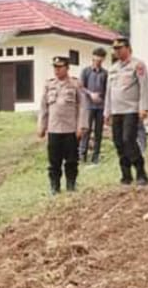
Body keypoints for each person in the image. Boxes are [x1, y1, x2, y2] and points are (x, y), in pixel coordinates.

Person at [104, 35, 148, 187]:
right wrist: (107, 111)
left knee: (128, 140)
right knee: (118, 143)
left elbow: (144, 88)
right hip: (116, 111)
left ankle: (141, 172)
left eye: (119, 48)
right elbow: (109, 92)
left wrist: (144, 107)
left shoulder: (138, 65)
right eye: (115, 49)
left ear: (128, 48)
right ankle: (126, 175)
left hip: (131, 109)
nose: (116, 51)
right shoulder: (113, 68)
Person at [37, 55, 87, 194]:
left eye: (60, 67)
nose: (57, 70)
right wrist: (42, 126)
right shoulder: (49, 84)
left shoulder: (75, 84)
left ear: (67, 68)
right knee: (54, 161)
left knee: (71, 160)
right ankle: (55, 186)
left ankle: (71, 184)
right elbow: (43, 107)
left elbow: (82, 106)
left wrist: (80, 126)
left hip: (70, 129)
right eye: (55, 67)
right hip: (53, 129)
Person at [79, 47, 107, 164]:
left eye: (100, 59)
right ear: (93, 57)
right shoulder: (86, 71)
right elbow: (81, 87)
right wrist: (91, 94)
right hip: (88, 106)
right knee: (86, 130)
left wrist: (101, 97)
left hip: (100, 107)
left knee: (98, 132)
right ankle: (82, 155)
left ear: (103, 59)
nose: (97, 60)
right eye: (96, 58)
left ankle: (96, 156)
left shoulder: (105, 73)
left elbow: (107, 89)